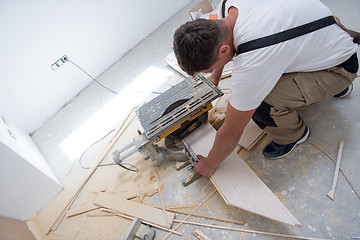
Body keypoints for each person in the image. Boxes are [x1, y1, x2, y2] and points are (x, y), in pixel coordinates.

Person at [173, 0, 359, 178]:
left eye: (210, 69)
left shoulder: (254, 55)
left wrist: (210, 163)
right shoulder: (226, 7)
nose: (212, 71)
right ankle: (328, 86)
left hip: (340, 67)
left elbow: (231, 131)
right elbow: (222, 48)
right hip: (327, 35)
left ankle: (293, 135)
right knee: (270, 68)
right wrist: (215, 77)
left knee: (260, 104)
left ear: (223, 51)